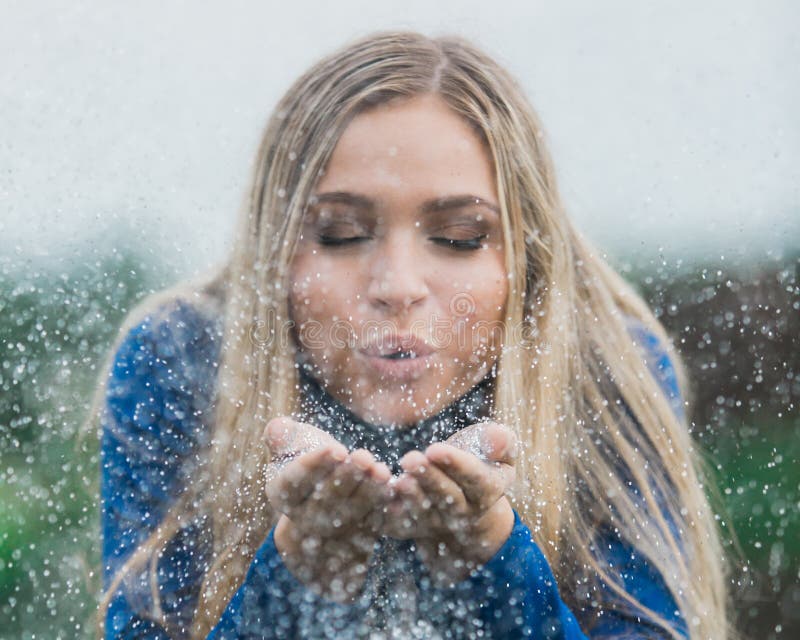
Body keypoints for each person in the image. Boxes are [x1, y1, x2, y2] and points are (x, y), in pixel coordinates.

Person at [87, 30, 730, 639]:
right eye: (340, 234)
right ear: (274, 256)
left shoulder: (605, 370)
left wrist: (492, 558)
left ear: (526, 260)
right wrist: (297, 574)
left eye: (459, 237)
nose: (398, 285)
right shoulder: (182, 360)